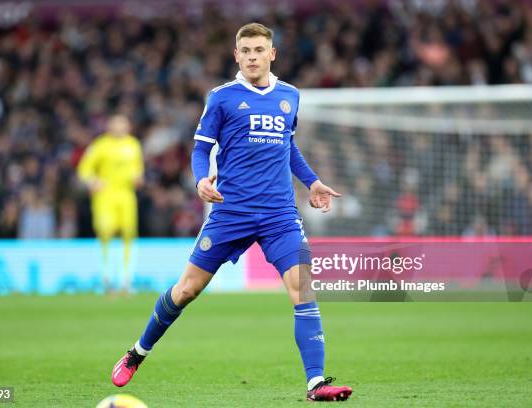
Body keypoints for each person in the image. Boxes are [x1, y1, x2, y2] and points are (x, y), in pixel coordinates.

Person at [111, 23, 352, 402]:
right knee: (187, 290)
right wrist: (199, 181)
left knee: (303, 290)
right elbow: (200, 148)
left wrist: (313, 182)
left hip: (279, 215)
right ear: (236, 55)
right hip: (231, 211)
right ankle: (137, 352)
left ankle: (316, 383)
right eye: (246, 50)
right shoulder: (222, 98)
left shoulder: (290, 96)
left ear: (272, 54)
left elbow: (288, 148)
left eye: (260, 50)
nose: (253, 56)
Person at [78, 115, 144, 292]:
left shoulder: (133, 145)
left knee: (129, 235)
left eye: (123, 125)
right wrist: (92, 181)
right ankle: (106, 278)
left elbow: (138, 171)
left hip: (126, 195)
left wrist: (138, 179)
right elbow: (84, 169)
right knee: (105, 234)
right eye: (116, 124)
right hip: (105, 196)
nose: (120, 128)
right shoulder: (100, 145)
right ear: (109, 126)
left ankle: (126, 281)